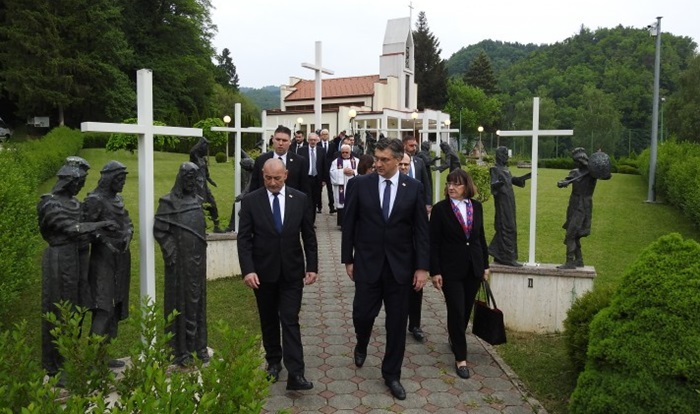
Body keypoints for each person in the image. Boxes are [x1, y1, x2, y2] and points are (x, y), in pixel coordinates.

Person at [341, 137, 429, 401]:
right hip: (367, 264)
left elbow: (421, 231)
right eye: (376, 158)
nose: (377, 164)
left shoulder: (413, 188)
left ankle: (392, 374)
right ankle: (362, 341)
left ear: (398, 160)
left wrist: (422, 267)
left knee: (396, 323)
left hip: (400, 268)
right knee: (362, 315)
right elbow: (350, 224)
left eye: (384, 160)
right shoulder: (359, 184)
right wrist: (348, 259)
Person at [237, 158, 318, 391]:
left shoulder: (300, 199)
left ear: (286, 175)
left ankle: (296, 373)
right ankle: (273, 361)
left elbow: (309, 237)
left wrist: (312, 266)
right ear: (262, 175)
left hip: (293, 272)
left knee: (290, 319)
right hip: (263, 273)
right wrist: (248, 270)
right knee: (269, 319)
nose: (272, 183)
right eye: (268, 178)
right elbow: (244, 240)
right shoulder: (251, 201)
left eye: (277, 178)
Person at [38, 160, 116, 382]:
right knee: (58, 307)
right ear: (67, 181)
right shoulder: (49, 204)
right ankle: (55, 365)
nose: (81, 187)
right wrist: (101, 224)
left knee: (77, 309)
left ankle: (70, 357)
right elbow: (72, 229)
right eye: (79, 182)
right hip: (60, 259)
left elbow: (84, 234)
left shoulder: (75, 203)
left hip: (80, 258)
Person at [430, 168, 490, 380]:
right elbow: (433, 243)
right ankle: (461, 358)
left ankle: (455, 338)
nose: (451, 187)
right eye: (449, 183)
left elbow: (480, 237)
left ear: (467, 186)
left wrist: (485, 265)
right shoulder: (440, 210)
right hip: (450, 269)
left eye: (456, 184)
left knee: (465, 311)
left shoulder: (476, 207)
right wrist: (435, 271)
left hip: (473, 267)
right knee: (456, 310)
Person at [154, 162, 209, 366]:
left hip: (197, 260)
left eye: (195, 179)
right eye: (188, 179)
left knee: (198, 302)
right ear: (181, 179)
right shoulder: (169, 203)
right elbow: (160, 230)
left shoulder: (197, 201)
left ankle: (199, 345)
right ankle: (181, 350)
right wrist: (170, 249)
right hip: (180, 263)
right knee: (182, 302)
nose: (192, 183)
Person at [83, 161, 133, 368]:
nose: (122, 183)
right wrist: (105, 240)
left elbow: (128, 222)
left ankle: (103, 354)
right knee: (103, 307)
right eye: (119, 179)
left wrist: (128, 234)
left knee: (115, 306)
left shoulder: (118, 199)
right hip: (103, 259)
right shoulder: (95, 200)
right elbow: (87, 229)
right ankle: (93, 358)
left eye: (124, 179)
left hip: (121, 257)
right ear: (109, 179)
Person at [396, 152, 428, 343]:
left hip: (412, 247)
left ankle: (414, 324)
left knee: (416, 288)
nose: (403, 168)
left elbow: (422, 226)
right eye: (400, 164)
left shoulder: (416, 187)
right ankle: (397, 320)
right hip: (394, 248)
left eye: (406, 165)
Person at [488, 147, 531, 266]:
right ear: (499, 155)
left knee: (511, 226)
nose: (507, 157)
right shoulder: (495, 169)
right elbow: (493, 185)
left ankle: (497, 252)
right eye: (505, 154)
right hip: (502, 202)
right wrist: (497, 184)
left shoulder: (505, 169)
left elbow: (511, 180)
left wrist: (523, 178)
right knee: (507, 227)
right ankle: (507, 257)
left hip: (510, 201)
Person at [557, 147, 597, 269]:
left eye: (576, 161)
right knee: (574, 233)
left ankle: (569, 261)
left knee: (571, 234)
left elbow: (607, 175)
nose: (574, 163)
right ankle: (579, 260)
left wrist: (588, 165)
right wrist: (562, 183)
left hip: (584, 205)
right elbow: (565, 181)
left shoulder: (592, 173)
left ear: (581, 160)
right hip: (573, 203)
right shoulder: (574, 172)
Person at [249, 125, 310, 196]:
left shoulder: (300, 162)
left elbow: (305, 190)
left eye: (284, 140)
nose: (280, 143)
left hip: (292, 204)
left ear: (290, 142)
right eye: (278, 140)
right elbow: (254, 187)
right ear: (273, 140)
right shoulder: (261, 160)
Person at [189, 137, 223, 233]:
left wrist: (211, 181)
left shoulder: (204, 159)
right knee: (200, 206)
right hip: (197, 187)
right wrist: (202, 140)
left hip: (205, 186)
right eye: (205, 147)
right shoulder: (194, 156)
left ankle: (217, 226)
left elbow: (206, 173)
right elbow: (192, 150)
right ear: (201, 147)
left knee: (212, 204)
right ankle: (201, 228)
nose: (207, 150)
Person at [297, 132, 327, 218]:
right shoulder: (301, 150)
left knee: (314, 200)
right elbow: (299, 165)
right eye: (311, 140)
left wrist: (324, 179)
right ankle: (305, 218)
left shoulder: (321, 150)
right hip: (306, 178)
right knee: (306, 199)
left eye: (314, 140)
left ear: (317, 140)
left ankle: (312, 220)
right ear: (308, 140)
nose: (313, 142)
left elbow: (324, 165)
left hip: (317, 179)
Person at [329, 144, 359, 227]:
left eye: (347, 152)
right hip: (341, 187)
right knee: (342, 203)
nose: (345, 154)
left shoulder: (356, 161)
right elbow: (332, 172)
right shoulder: (336, 162)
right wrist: (342, 171)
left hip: (353, 186)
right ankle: (342, 224)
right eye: (343, 152)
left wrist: (353, 172)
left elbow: (360, 171)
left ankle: (352, 223)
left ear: (350, 152)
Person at [403, 135, 433, 213]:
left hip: (418, 201)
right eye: (411, 145)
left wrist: (428, 203)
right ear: (404, 146)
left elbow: (426, 183)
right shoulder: (398, 162)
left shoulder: (419, 162)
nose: (414, 148)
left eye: (415, 145)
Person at [319, 129, 335, 213]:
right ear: (321, 136)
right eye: (323, 134)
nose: (325, 136)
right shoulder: (318, 145)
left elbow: (334, 156)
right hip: (320, 170)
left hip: (329, 170)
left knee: (330, 190)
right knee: (319, 190)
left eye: (326, 134)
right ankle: (319, 206)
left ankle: (331, 206)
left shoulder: (332, 145)